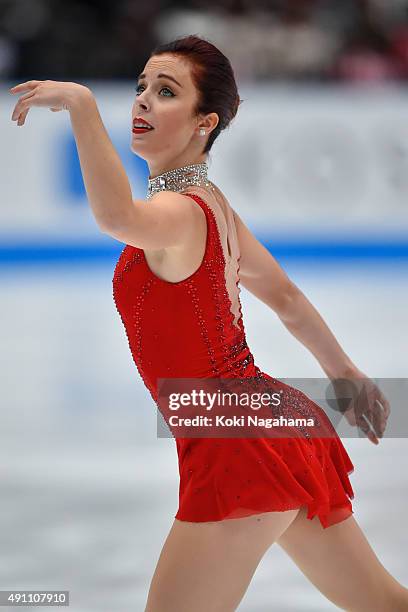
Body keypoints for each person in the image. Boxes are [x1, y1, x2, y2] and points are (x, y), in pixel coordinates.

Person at [10, 33, 406, 612]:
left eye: (166, 91)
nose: (142, 100)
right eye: (142, 86)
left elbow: (116, 214)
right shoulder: (211, 202)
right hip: (275, 423)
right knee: (385, 603)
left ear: (204, 121)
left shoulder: (176, 212)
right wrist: (344, 373)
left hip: (236, 445)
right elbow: (286, 297)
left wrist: (81, 105)